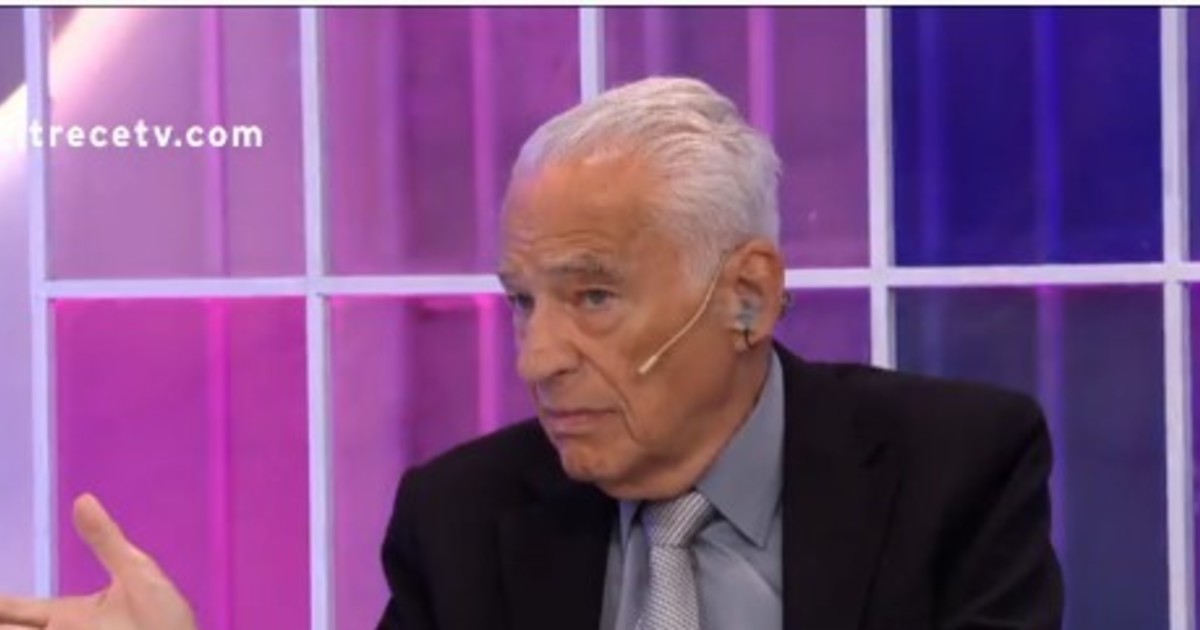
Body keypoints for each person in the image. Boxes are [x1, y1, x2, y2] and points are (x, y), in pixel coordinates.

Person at [0, 76, 1063, 630]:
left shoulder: (952, 467)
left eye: (592, 297)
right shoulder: (461, 517)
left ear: (746, 296)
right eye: (522, 302)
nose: (538, 359)